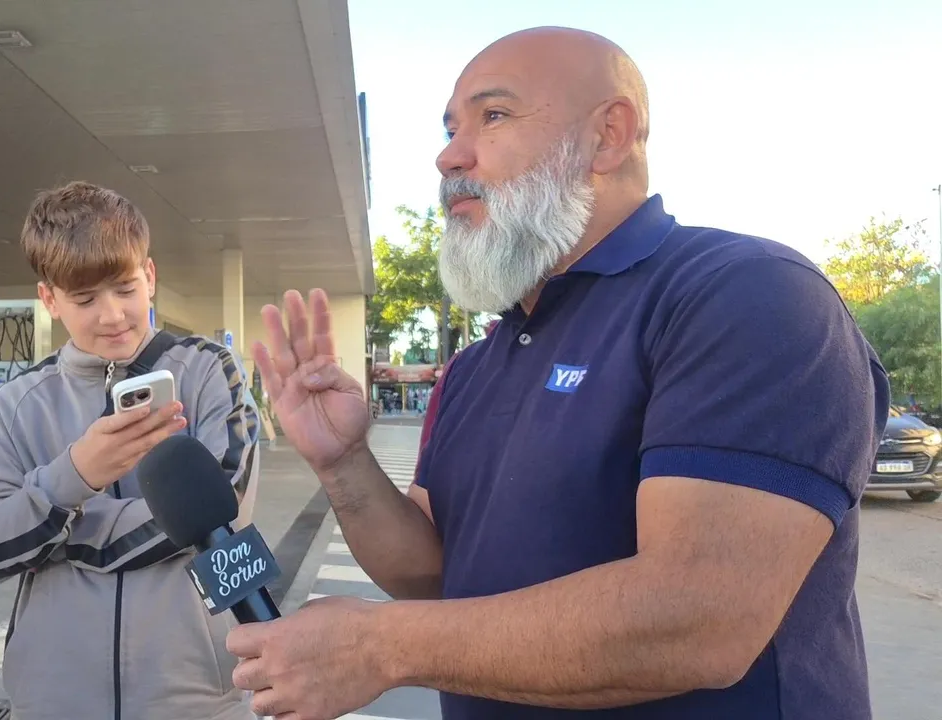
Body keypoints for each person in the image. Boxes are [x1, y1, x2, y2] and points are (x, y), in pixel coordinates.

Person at [224, 27, 888, 720]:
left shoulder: (743, 293)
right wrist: (344, 463)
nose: (448, 156)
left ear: (608, 135)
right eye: (450, 129)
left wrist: (376, 647)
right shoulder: (476, 366)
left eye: (493, 115)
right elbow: (432, 577)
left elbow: (698, 617)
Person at [0, 181, 260, 720]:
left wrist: (57, 537)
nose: (112, 315)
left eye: (125, 288)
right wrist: (72, 477)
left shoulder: (208, 370)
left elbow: (220, 510)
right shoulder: (20, 403)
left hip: (200, 698)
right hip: (52, 700)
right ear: (50, 299)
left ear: (150, 276)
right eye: (85, 299)